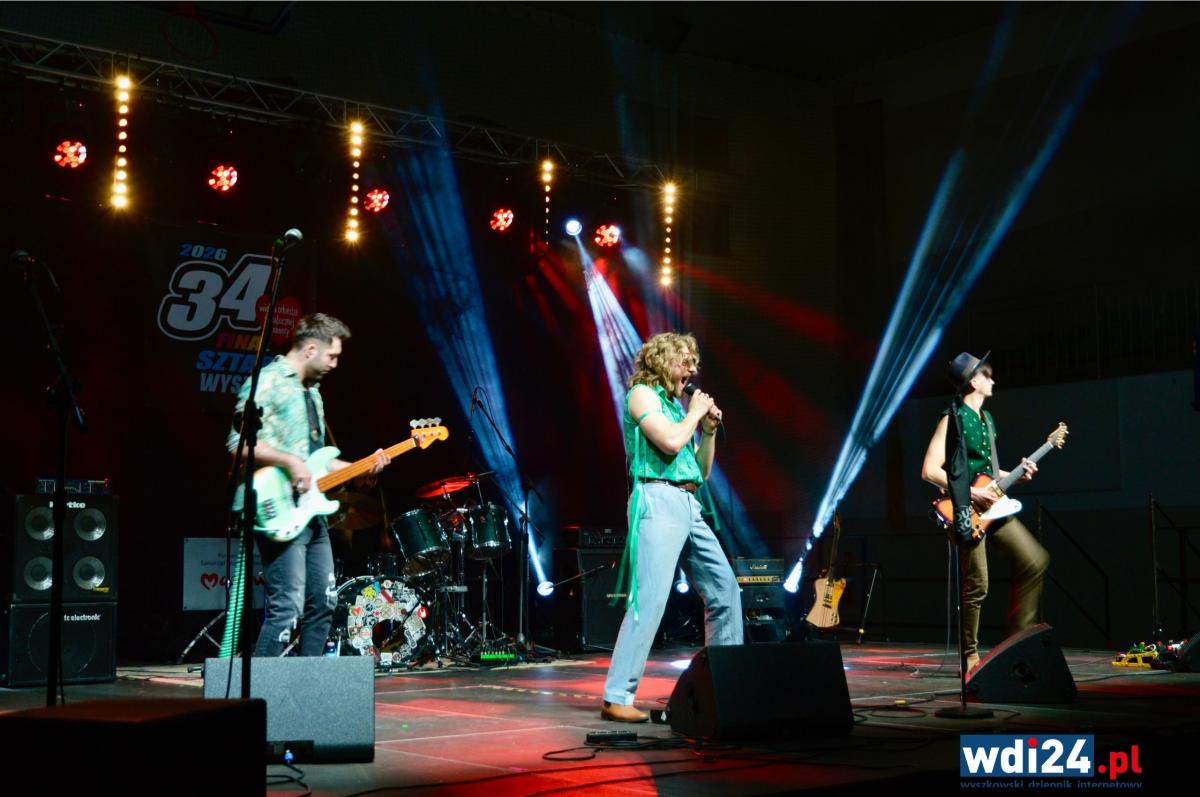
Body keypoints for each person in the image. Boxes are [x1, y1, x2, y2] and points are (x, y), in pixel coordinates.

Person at [224, 313, 390, 657]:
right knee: (287, 607)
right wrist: (289, 462)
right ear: (311, 349)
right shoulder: (268, 381)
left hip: (311, 511)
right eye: (332, 356)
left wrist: (359, 469)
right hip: (276, 506)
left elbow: (317, 459)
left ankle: (307, 683)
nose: (335, 364)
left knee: (325, 602)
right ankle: (262, 686)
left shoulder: (313, 393)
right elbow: (237, 444)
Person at [602, 332, 744, 722]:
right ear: (663, 360)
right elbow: (668, 442)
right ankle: (617, 696)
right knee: (650, 599)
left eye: (694, 363)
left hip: (687, 502)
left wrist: (708, 431)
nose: (693, 371)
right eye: (686, 362)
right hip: (656, 498)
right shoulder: (642, 396)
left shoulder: (674, 407)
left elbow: (700, 471)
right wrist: (695, 414)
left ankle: (725, 686)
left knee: (725, 590)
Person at [921, 351, 1049, 674]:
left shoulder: (987, 420)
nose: (993, 380)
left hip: (992, 505)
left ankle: (1019, 640)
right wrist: (970, 492)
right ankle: (970, 657)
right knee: (978, 585)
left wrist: (1017, 473)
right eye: (987, 375)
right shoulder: (952, 418)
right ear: (973, 381)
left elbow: (988, 473)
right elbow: (929, 470)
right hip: (966, 509)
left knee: (1035, 560)